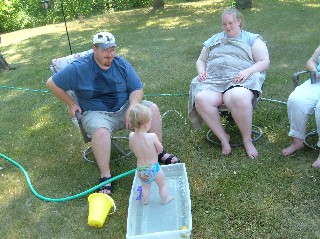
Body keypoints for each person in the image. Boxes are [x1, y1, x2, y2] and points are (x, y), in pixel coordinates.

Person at [46, 31, 179, 195]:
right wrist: (71, 103)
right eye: (105, 50)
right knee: (101, 132)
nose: (110, 55)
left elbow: (137, 88)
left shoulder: (121, 64)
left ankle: (159, 154)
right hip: (97, 112)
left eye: (112, 50)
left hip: (124, 108)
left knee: (152, 109)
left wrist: (133, 105)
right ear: (95, 49)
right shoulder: (79, 68)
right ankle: (105, 176)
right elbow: (52, 83)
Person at [188, 7, 270, 158]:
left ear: (239, 21)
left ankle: (247, 140)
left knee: (236, 97)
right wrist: (201, 71)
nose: (227, 27)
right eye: (224, 24)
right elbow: (201, 60)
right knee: (201, 99)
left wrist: (247, 71)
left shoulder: (252, 38)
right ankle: (223, 137)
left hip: (239, 78)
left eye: (231, 23)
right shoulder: (214, 39)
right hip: (214, 79)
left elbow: (264, 61)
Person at [282, 45, 320, 168]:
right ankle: (297, 141)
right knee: (296, 100)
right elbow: (311, 61)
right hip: (317, 81)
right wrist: (313, 69)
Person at [128, 103, 175, 205]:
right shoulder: (152, 136)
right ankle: (164, 200)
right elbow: (160, 149)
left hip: (141, 169)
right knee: (162, 185)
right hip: (154, 168)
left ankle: (145, 201)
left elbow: (132, 148)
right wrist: (156, 152)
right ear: (146, 125)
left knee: (145, 187)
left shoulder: (131, 136)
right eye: (150, 122)